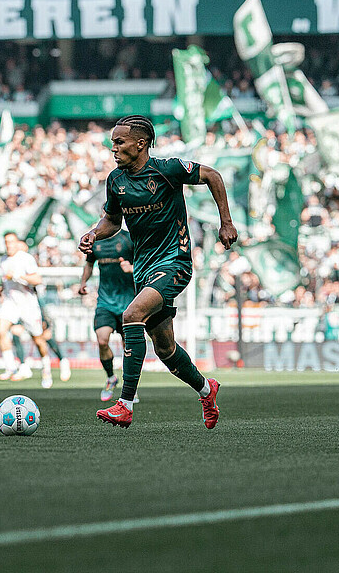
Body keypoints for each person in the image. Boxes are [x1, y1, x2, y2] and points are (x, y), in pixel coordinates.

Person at [80, 115, 237, 429]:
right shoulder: (116, 181)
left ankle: (124, 405)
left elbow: (213, 175)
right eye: (112, 143)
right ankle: (207, 390)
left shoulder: (167, 170)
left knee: (131, 314)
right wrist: (95, 234)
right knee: (165, 349)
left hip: (174, 262)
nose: (114, 148)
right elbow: (112, 222)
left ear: (140, 143)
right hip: (144, 269)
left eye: (119, 142)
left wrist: (226, 222)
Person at [77, 227, 136, 401]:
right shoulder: (96, 241)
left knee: (129, 348)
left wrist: (131, 268)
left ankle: (129, 386)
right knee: (102, 340)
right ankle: (111, 377)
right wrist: (83, 282)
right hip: (105, 302)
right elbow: (89, 263)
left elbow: (144, 262)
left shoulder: (128, 239)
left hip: (129, 303)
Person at [0, 232, 56, 388]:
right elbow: (5, 280)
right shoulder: (3, 260)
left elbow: (37, 279)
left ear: (17, 243)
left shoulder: (26, 259)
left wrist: (18, 276)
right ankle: (11, 367)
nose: (9, 245)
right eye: (6, 242)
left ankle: (46, 368)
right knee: (1, 329)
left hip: (28, 304)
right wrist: (1, 289)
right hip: (11, 302)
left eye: (11, 241)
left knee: (38, 339)